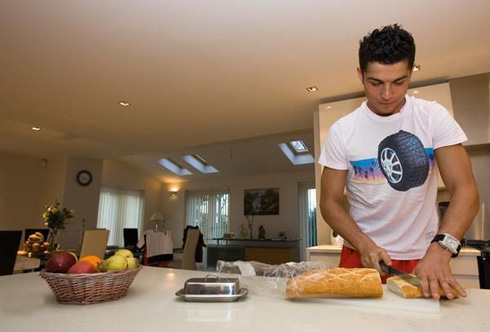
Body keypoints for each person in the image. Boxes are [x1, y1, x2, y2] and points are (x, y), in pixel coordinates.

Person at [319, 24, 479, 300]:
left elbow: (466, 189)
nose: (387, 94)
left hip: (425, 258)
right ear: (360, 75)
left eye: (399, 81)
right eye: (376, 82)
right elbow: (329, 201)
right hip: (361, 254)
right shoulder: (342, 131)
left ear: (412, 72)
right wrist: (362, 244)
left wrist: (441, 249)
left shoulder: (433, 117)